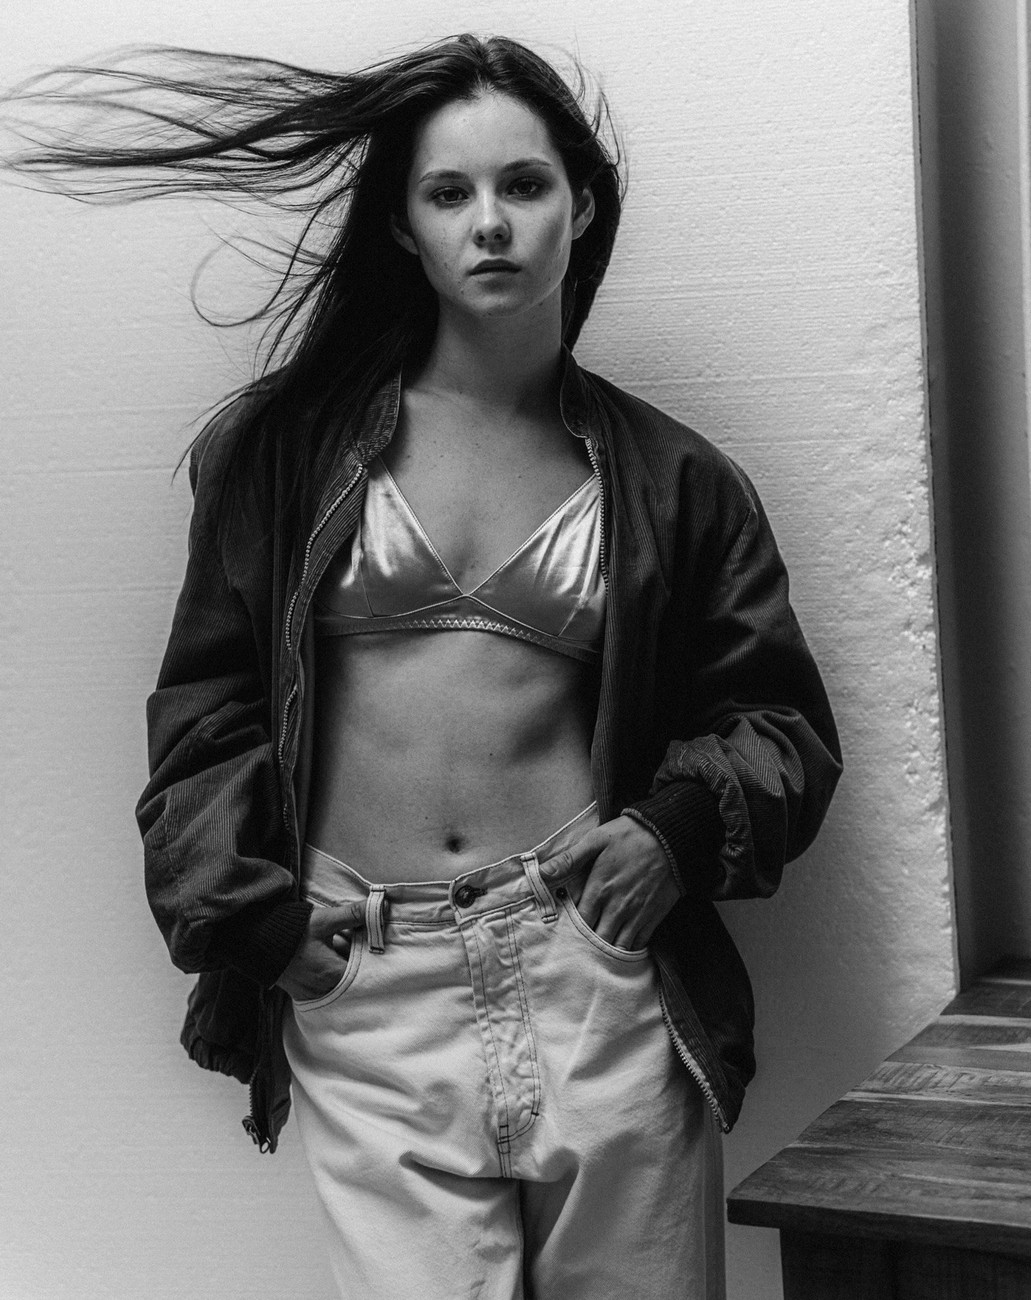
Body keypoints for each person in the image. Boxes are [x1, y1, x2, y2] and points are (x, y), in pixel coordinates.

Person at [4, 34, 841, 1299]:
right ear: (403, 225)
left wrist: (670, 832)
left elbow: (780, 722)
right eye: (449, 193)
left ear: (581, 205)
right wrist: (262, 921)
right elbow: (206, 710)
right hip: (371, 985)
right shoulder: (284, 453)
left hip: (594, 973)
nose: (488, 223)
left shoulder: (676, 481)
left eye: (524, 184)